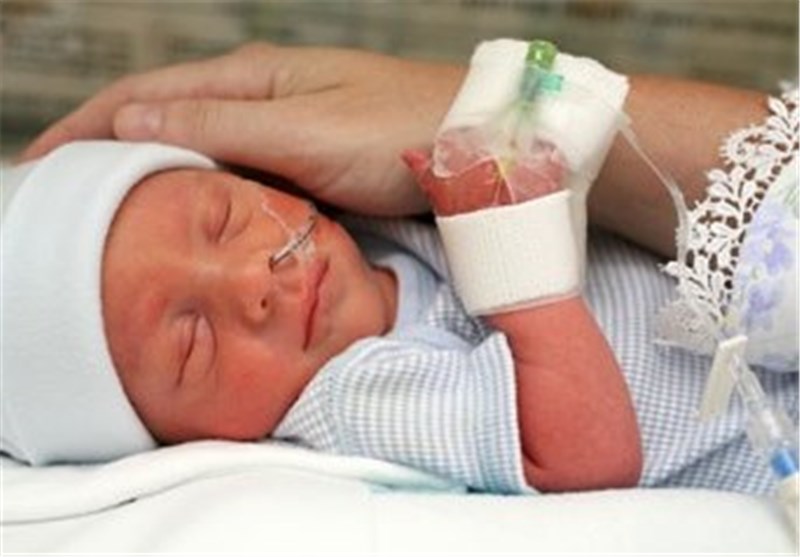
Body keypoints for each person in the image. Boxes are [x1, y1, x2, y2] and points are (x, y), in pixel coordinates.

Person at [7, 40, 797, 497]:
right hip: (759, 443)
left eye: (225, 217)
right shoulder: (351, 398)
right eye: (193, 342)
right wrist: (517, 269)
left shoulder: (370, 230)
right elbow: (590, 464)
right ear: (171, 443)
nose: (252, 282)